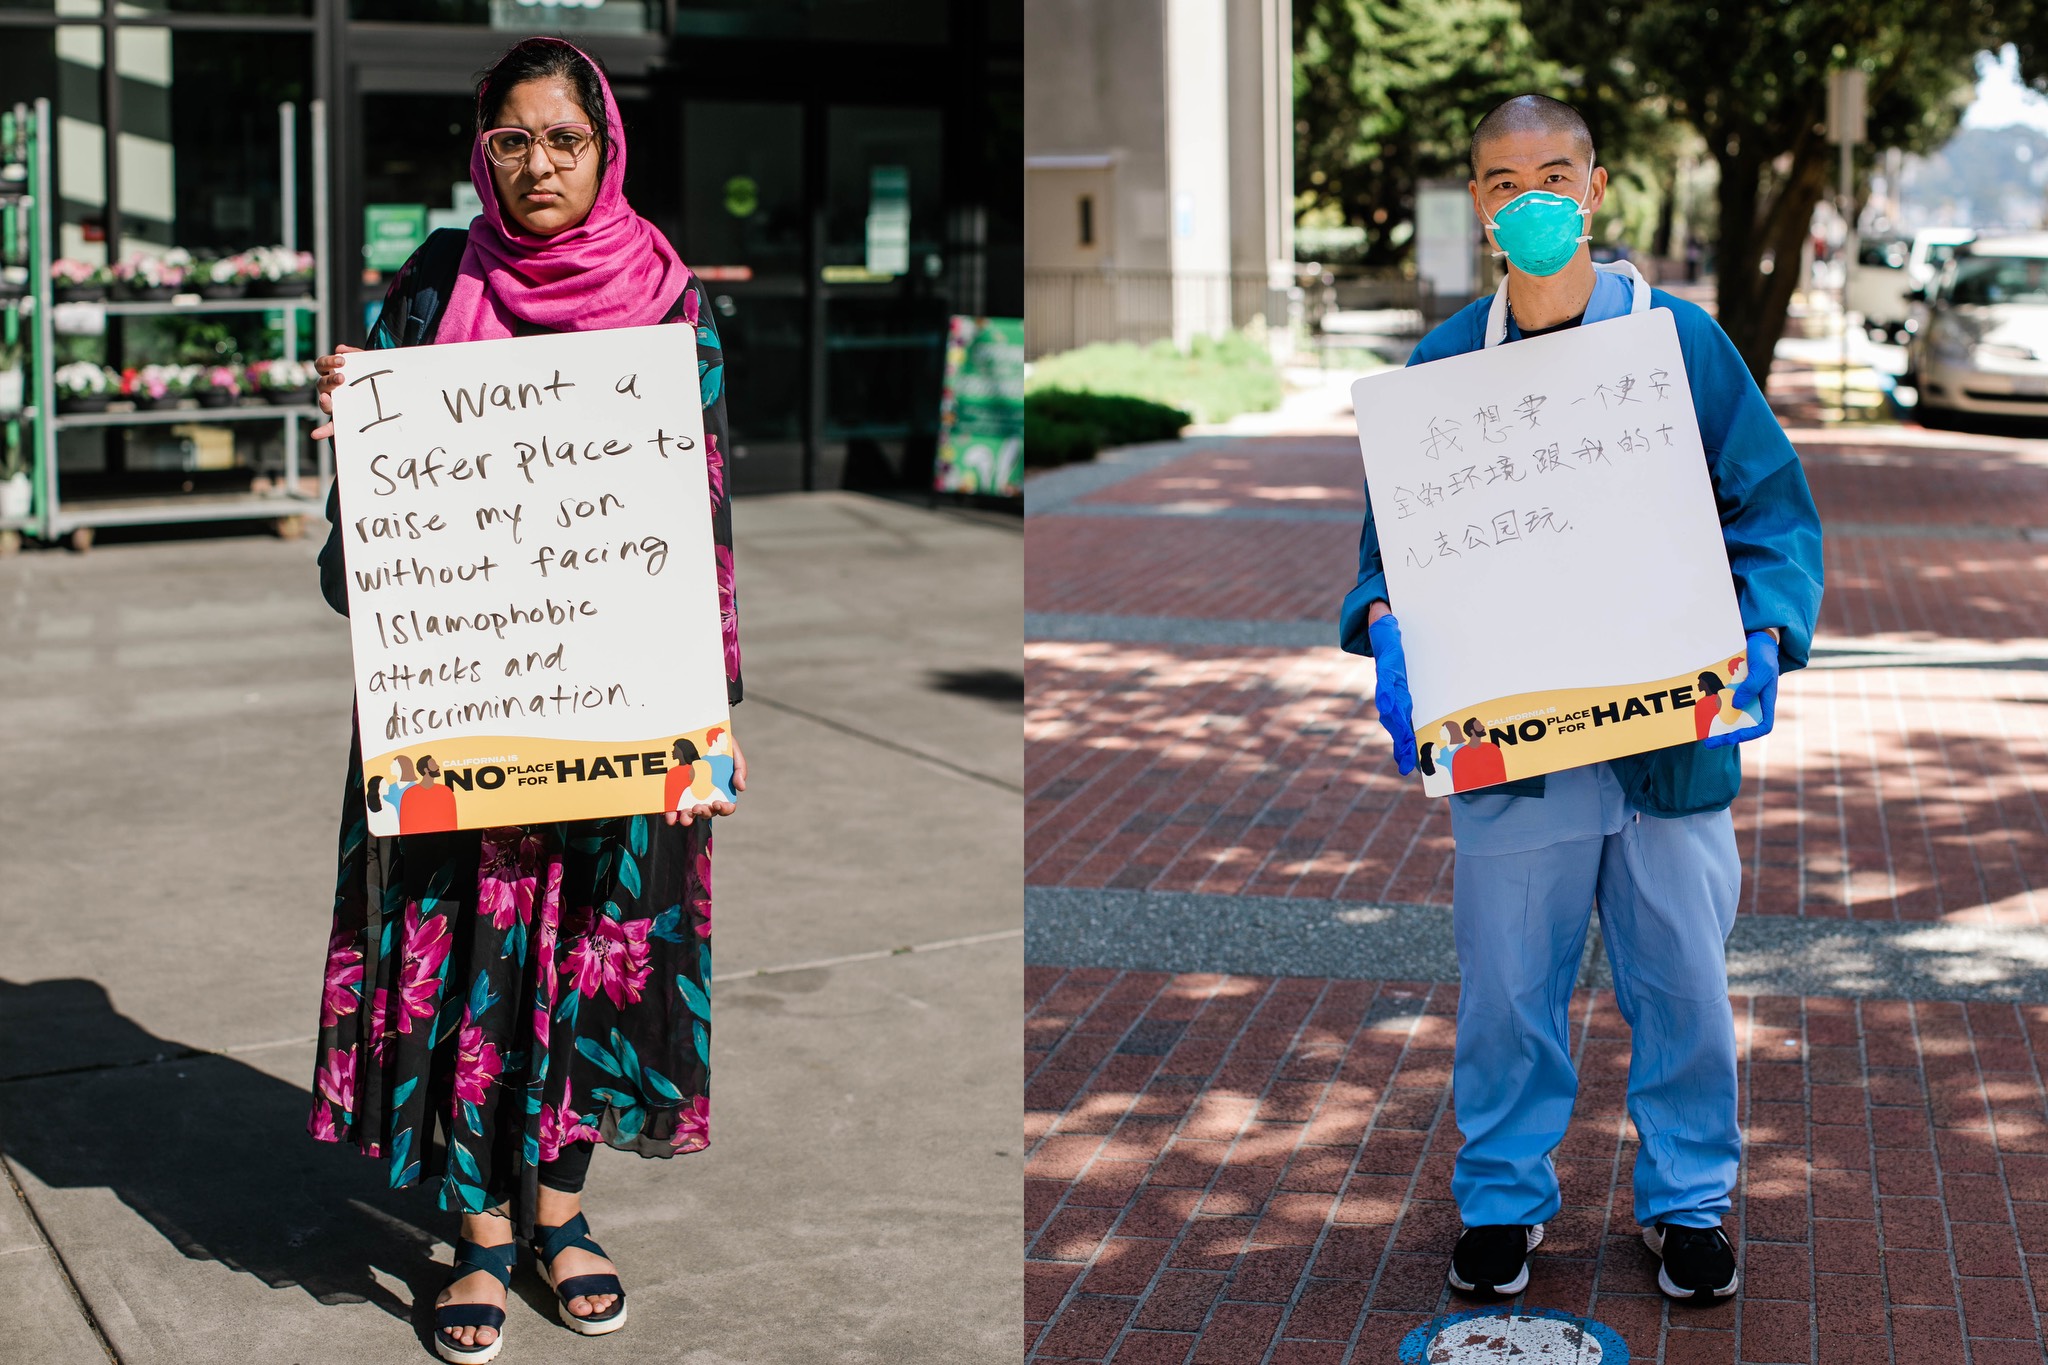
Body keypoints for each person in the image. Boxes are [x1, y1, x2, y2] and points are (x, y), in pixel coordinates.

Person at [305, 38, 747, 1364]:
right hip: (465, 708)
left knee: (587, 959)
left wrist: (706, 711)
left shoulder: (669, 297)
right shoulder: (427, 293)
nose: (539, 164)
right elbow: (355, 574)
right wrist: (359, 447)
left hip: (623, 705)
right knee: (472, 963)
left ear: (607, 149)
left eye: (565, 139)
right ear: (478, 152)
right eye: (512, 141)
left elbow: (708, 521)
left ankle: (563, 1216)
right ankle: (477, 1231)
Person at [1340, 95, 1823, 1305]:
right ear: (1479, 205)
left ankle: (1686, 1202)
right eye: (1502, 182)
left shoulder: (1678, 342)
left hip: (1671, 744)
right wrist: (1389, 631)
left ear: (1595, 189)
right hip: (1516, 749)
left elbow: (1769, 507)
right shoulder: (1444, 365)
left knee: (1684, 985)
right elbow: (1385, 553)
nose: (1530, 198)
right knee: (1507, 988)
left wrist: (1764, 625)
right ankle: (1501, 1201)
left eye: (1552, 173)